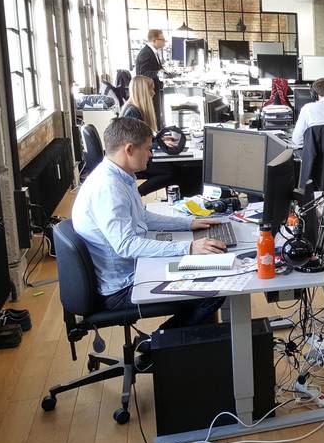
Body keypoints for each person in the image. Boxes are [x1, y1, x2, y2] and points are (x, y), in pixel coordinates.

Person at [72, 117, 227, 329]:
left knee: (208, 273)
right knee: (212, 292)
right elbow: (126, 246)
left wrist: (188, 223)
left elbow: (143, 217)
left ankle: (184, 343)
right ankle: (156, 345)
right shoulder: (109, 188)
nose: (151, 154)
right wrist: (189, 247)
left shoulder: (120, 176)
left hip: (134, 269)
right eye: (148, 149)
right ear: (129, 149)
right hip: (123, 288)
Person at [121, 75, 175, 195]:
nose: (154, 93)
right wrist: (159, 144)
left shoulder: (133, 108)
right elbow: (136, 143)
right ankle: (136, 194)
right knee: (169, 171)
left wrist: (159, 140)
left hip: (132, 156)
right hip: (131, 160)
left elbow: (140, 137)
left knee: (169, 166)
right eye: (151, 89)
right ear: (144, 92)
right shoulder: (132, 113)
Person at [135, 28, 167, 124]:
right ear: (154, 40)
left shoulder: (153, 52)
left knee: (157, 114)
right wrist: (158, 73)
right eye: (162, 39)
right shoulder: (146, 53)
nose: (164, 42)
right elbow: (142, 73)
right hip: (147, 91)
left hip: (154, 89)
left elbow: (156, 68)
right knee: (152, 117)